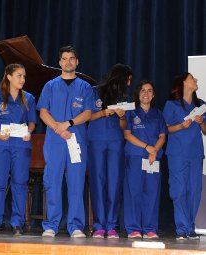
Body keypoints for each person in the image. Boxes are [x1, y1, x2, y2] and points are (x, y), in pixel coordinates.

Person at [37, 46, 94, 238]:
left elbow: (87, 113)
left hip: (76, 141)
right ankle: (51, 225)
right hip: (55, 141)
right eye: (64, 58)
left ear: (77, 62)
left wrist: (68, 123)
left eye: (72, 58)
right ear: (59, 62)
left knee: (76, 183)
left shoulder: (85, 87)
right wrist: (57, 127)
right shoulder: (50, 86)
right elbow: (43, 111)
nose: (68, 62)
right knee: (52, 182)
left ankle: (76, 226)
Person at [0, 63, 36, 236]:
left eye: (24, 76)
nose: (22, 79)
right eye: (19, 76)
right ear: (9, 76)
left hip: (21, 146)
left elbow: (32, 122)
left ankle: (17, 223)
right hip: (1, 144)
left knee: (20, 183)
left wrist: (29, 132)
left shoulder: (28, 98)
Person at [87, 64, 132, 239]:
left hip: (115, 143)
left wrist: (121, 116)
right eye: (128, 79)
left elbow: (124, 126)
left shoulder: (125, 98)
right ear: (120, 78)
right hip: (96, 141)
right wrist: (104, 112)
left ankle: (112, 226)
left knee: (114, 183)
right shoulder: (93, 91)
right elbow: (86, 116)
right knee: (97, 183)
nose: (129, 83)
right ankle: (99, 225)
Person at [163, 72, 206, 240]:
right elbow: (165, 129)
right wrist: (181, 125)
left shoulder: (201, 105)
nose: (195, 80)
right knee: (179, 190)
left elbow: (205, 131)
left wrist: (201, 122)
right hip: (177, 154)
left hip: (195, 154)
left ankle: (190, 227)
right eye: (191, 78)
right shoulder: (171, 105)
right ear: (182, 83)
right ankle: (181, 228)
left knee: (195, 190)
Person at [123, 81, 166, 239]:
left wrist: (154, 150)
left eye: (149, 91)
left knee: (152, 193)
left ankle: (150, 228)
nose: (146, 94)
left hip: (153, 159)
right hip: (135, 157)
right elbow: (127, 134)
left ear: (153, 95)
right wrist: (147, 147)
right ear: (138, 93)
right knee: (134, 192)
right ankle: (133, 228)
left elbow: (162, 135)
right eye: (142, 90)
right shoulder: (131, 112)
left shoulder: (158, 113)